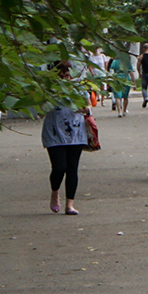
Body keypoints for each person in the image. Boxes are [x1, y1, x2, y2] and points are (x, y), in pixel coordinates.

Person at [42, 61, 89, 215]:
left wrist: (82, 108)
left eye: (67, 75)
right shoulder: (48, 90)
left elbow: (88, 107)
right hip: (54, 134)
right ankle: (55, 192)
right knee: (59, 168)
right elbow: (40, 109)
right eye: (60, 76)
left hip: (76, 133)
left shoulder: (78, 88)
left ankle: (70, 204)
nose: (64, 78)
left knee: (72, 169)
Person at [107, 51, 132, 117]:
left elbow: (110, 71)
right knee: (125, 97)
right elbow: (131, 73)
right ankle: (124, 110)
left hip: (117, 79)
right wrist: (134, 82)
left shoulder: (114, 62)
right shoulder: (127, 62)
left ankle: (119, 111)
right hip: (126, 79)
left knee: (117, 97)